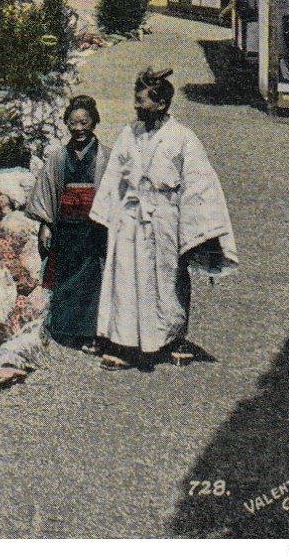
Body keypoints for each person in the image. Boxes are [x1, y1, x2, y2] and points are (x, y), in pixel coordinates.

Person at [90, 67, 238, 370]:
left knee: (167, 278)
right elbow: (113, 176)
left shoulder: (183, 138)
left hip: (165, 218)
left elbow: (199, 185)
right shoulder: (128, 134)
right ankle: (124, 343)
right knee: (127, 278)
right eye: (135, 100)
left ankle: (172, 338)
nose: (135, 106)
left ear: (161, 104)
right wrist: (104, 218)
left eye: (141, 101)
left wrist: (200, 232)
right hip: (130, 218)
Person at [26, 95, 112, 352]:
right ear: (66, 124)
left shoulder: (106, 157)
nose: (78, 129)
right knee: (64, 274)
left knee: (92, 279)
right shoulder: (58, 157)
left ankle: (91, 332)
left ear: (94, 122)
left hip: (95, 228)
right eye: (73, 123)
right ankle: (65, 327)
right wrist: (46, 224)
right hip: (66, 226)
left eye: (84, 122)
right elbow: (47, 191)